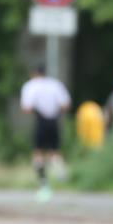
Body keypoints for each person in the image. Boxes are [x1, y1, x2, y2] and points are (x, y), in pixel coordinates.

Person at [20, 64, 71, 201]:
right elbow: (65, 105)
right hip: (54, 120)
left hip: (40, 120)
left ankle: (43, 183)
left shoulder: (31, 85)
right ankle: (59, 168)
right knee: (55, 151)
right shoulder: (55, 84)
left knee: (38, 152)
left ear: (34, 73)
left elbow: (26, 107)